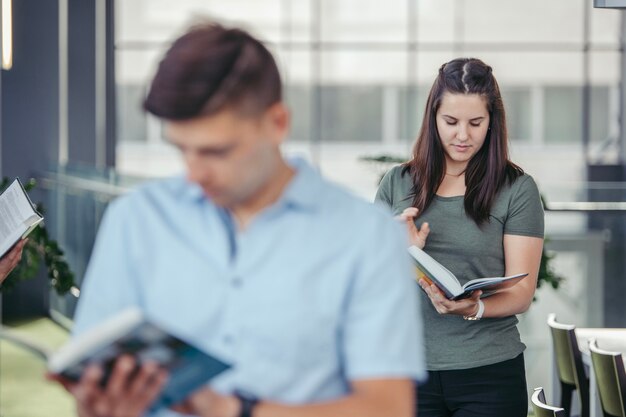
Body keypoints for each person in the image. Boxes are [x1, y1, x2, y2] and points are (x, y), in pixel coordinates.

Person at [58, 23, 426, 417]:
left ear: (277, 124)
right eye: (182, 149)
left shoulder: (366, 236)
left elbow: (387, 407)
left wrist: (231, 410)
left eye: (216, 151)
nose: (195, 172)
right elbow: (91, 389)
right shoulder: (135, 220)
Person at [375, 57, 544, 417]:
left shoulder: (517, 190)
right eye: (451, 122)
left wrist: (475, 307)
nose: (463, 135)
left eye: (476, 123)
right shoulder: (397, 183)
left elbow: (521, 292)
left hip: (489, 376)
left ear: (492, 123)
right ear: (433, 118)